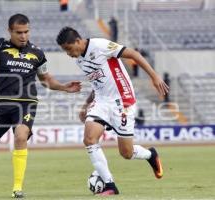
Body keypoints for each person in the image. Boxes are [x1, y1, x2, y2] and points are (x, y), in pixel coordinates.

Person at [0, 14, 81, 198]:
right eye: (19, 32)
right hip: (0, 105)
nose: (23, 36)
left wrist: (62, 87)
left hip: (26, 103)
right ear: (10, 31)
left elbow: (45, 79)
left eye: (26, 32)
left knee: (21, 136)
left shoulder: (37, 53)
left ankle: (17, 189)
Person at [56, 27, 169, 196]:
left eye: (69, 49)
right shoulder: (80, 60)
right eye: (65, 51)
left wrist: (154, 76)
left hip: (122, 100)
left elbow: (134, 54)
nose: (69, 54)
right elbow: (98, 84)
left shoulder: (100, 45)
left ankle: (150, 155)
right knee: (89, 139)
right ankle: (110, 185)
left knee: (126, 153)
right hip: (102, 101)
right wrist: (86, 105)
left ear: (78, 41)